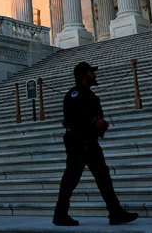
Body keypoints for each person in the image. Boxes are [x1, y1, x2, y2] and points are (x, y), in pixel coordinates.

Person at [53, 62, 139, 227]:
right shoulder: (75, 94)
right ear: (84, 75)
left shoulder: (88, 94)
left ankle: (115, 212)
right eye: (92, 72)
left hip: (89, 141)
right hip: (79, 143)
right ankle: (60, 214)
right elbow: (72, 118)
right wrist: (95, 121)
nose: (95, 74)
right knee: (72, 178)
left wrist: (98, 126)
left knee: (102, 176)